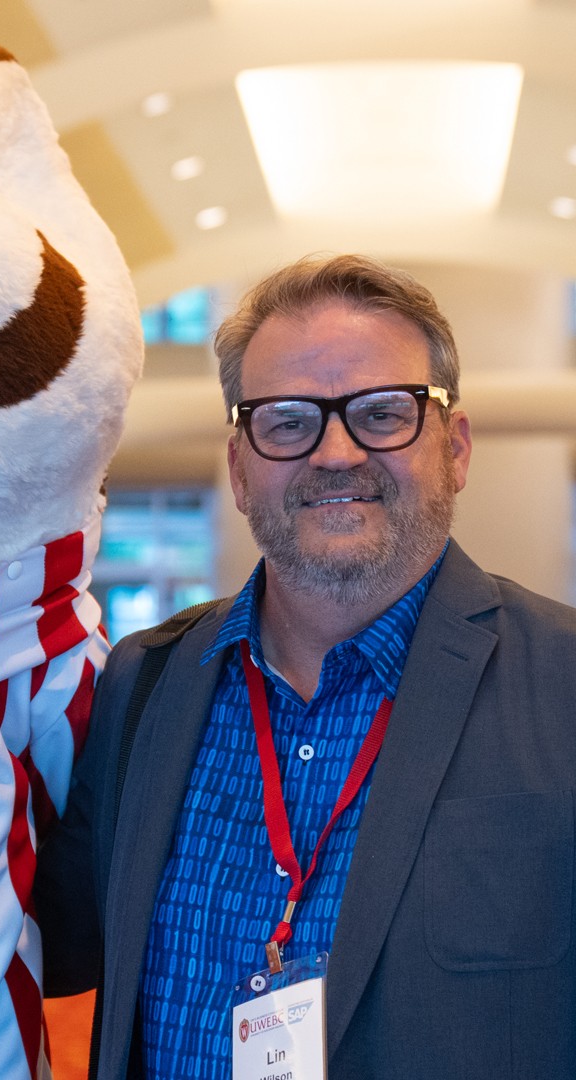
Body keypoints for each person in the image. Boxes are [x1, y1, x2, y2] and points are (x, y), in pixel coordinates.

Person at [36, 254, 576, 1079]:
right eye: (286, 421)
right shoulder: (140, 689)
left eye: (383, 413)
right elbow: (43, 946)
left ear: (455, 448)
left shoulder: (564, 686)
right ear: (239, 469)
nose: (334, 452)